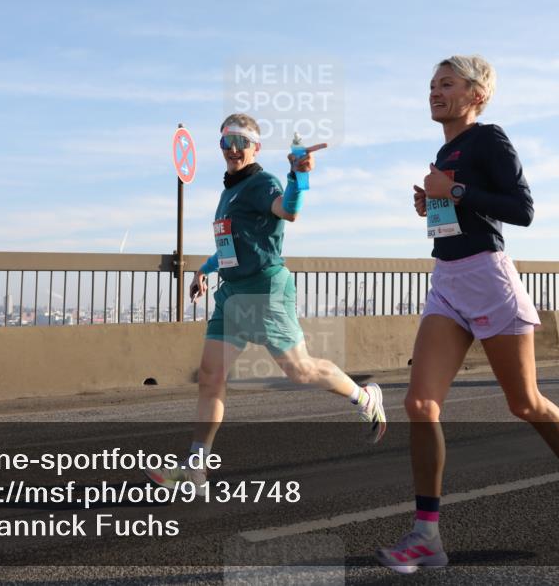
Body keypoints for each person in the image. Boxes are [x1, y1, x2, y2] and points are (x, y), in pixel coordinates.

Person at [376, 56, 559, 573]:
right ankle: (426, 537)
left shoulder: (490, 138)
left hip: (488, 280)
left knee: (524, 403)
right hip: (447, 282)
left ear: (476, 94)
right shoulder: (444, 150)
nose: (435, 91)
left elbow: (521, 209)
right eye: (432, 83)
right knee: (420, 403)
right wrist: (434, 205)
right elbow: (463, 211)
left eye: (447, 84)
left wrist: (452, 191)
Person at [146, 113, 387, 489]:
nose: (233, 149)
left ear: (256, 147)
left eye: (241, 141)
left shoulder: (262, 183)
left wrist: (299, 176)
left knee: (300, 371)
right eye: (227, 141)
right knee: (211, 377)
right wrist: (205, 269)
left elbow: (288, 209)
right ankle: (196, 467)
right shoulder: (229, 192)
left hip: (265, 291)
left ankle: (364, 396)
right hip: (231, 293)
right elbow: (232, 245)